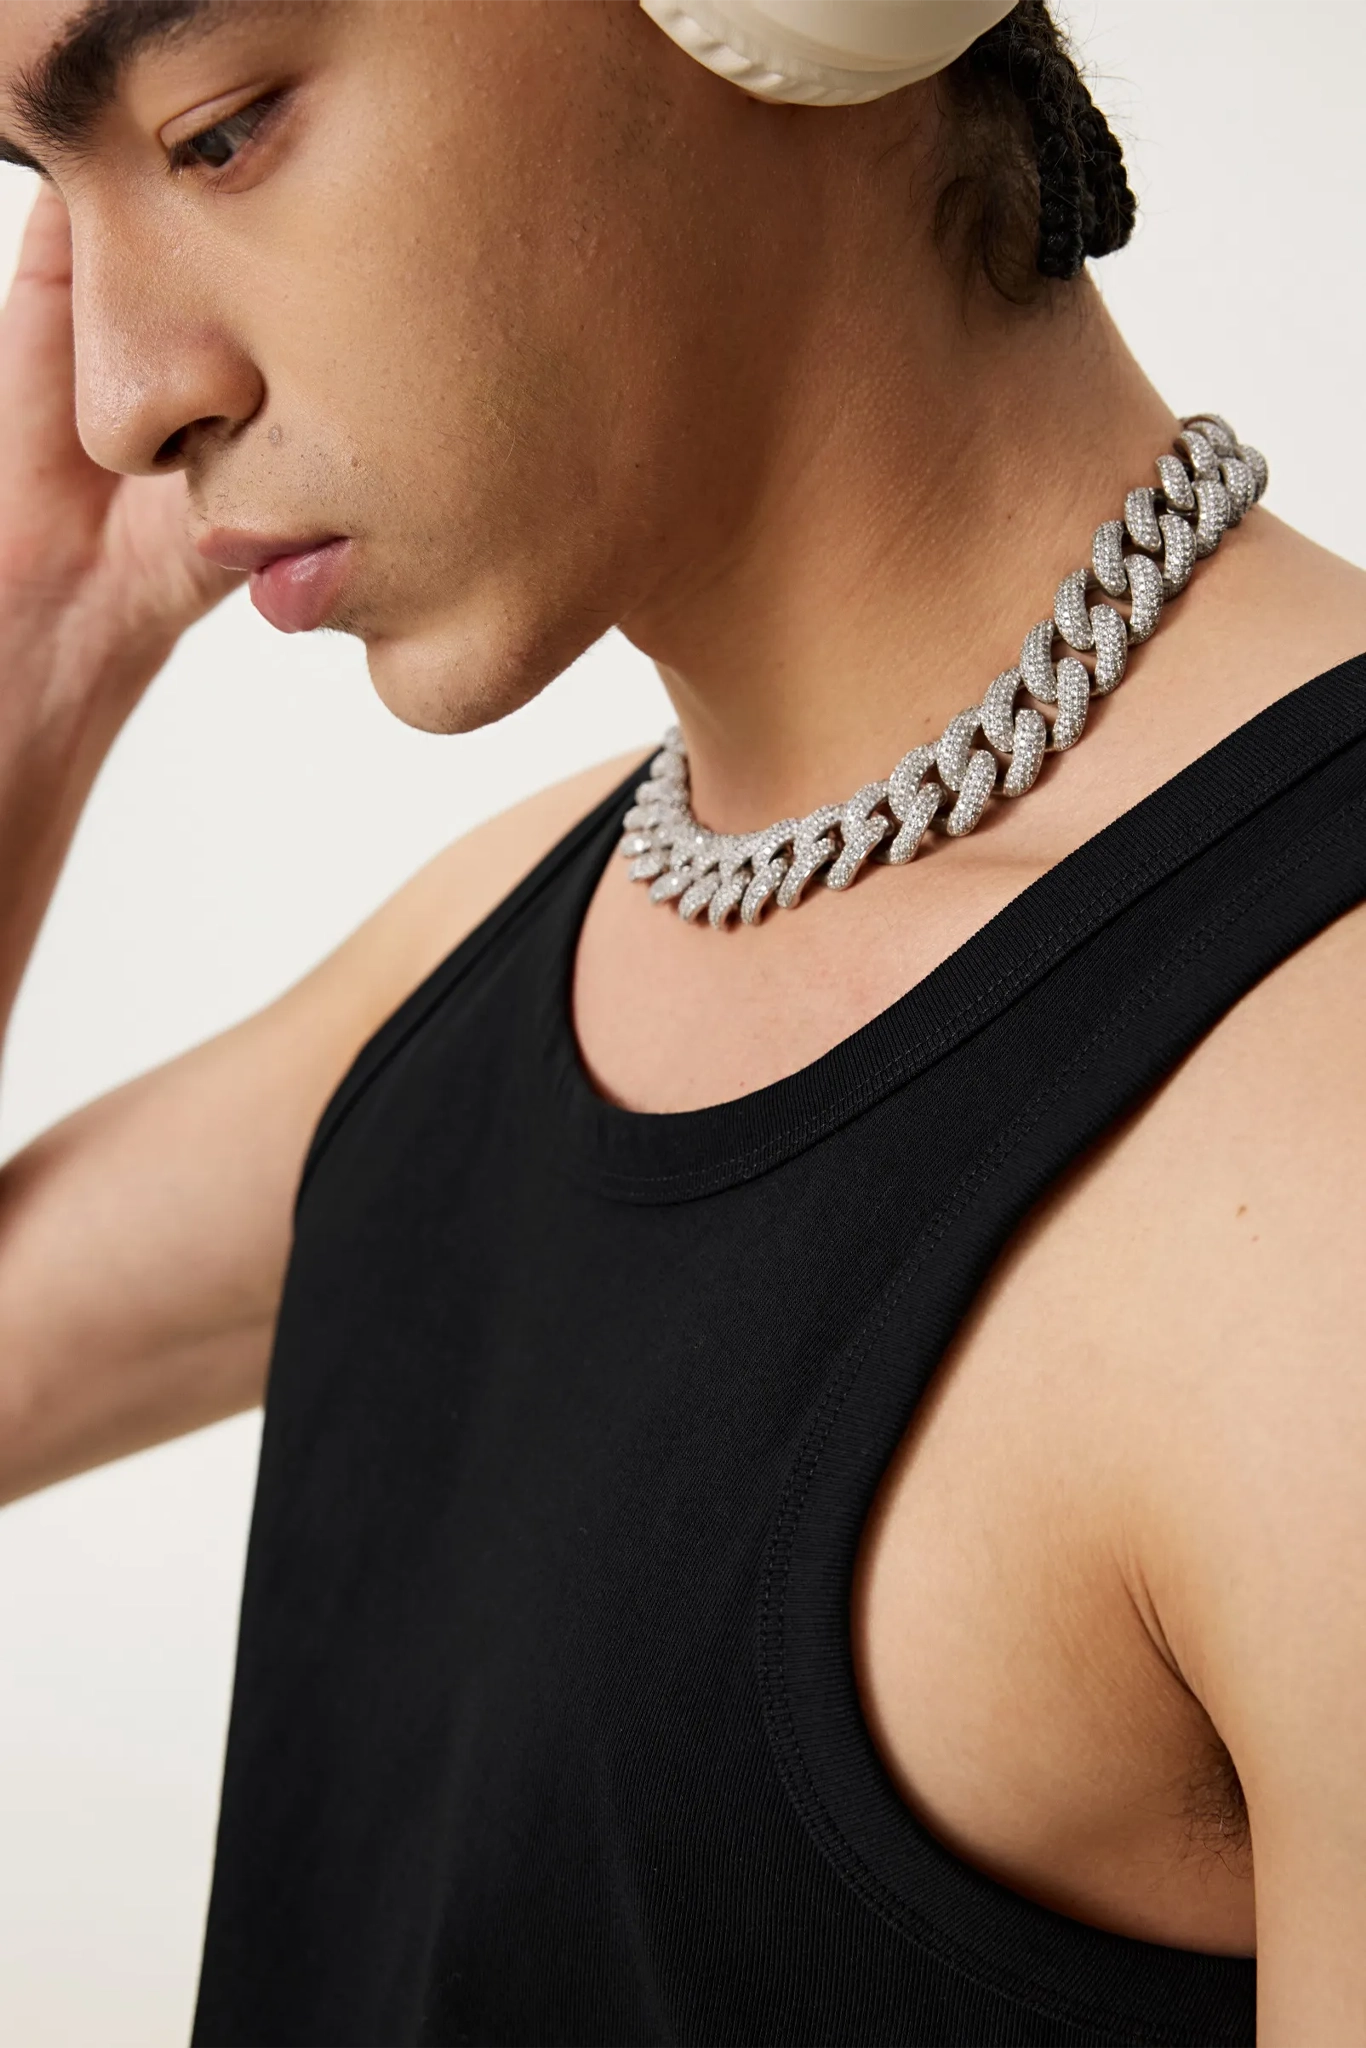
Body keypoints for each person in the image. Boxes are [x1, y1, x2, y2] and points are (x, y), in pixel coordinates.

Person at [0, 0, 1362, 2040]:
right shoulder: (528, 936)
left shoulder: (1309, 1145)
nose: (124, 394)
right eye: (44, 189)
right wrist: (42, 651)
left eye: (221, 130)